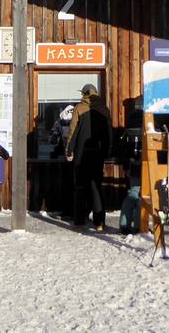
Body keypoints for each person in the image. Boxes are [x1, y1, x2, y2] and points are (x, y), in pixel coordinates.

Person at [65, 83, 112, 232]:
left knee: (80, 187)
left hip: (81, 153)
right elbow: (109, 133)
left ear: (84, 94)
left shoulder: (79, 108)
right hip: (98, 153)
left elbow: (72, 131)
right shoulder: (104, 109)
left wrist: (69, 150)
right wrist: (107, 151)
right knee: (96, 186)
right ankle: (99, 222)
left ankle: (80, 220)